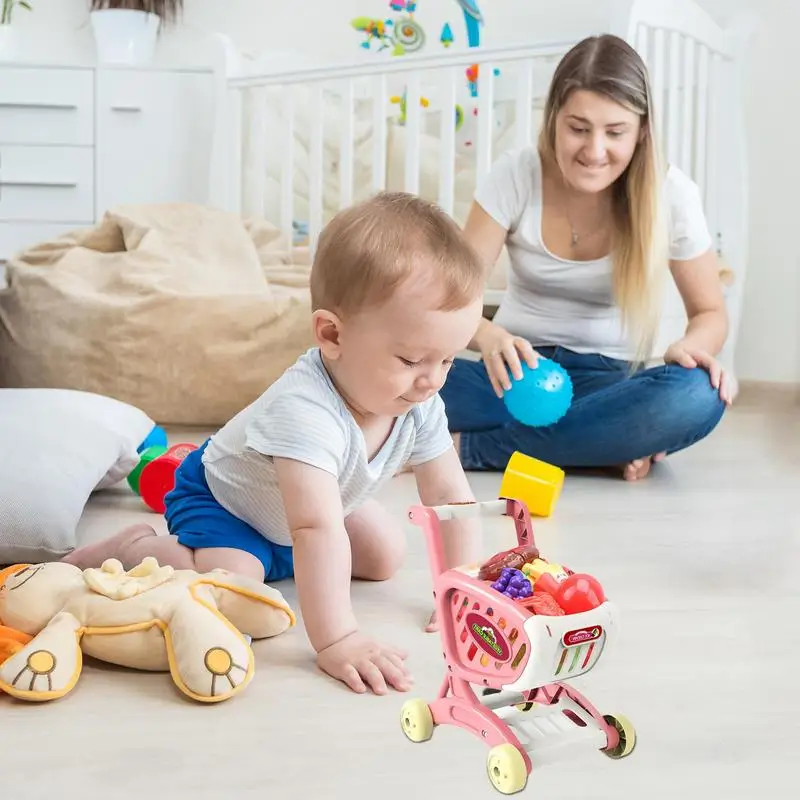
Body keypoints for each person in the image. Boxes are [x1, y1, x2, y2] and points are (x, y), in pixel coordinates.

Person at [63, 192, 485, 696]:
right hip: (227, 503)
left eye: (448, 361)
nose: (432, 381)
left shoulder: (417, 401)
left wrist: (461, 587)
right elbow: (314, 528)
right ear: (332, 334)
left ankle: (276, 559)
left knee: (385, 555)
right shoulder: (304, 410)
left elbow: (451, 500)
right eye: (413, 359)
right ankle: (138, 545)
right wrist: (338, 639)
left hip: (308, 509)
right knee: (235, 584)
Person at [440, 34, 735, 482]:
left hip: (610, 385)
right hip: (515, 376)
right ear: (554, 119)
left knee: (698, 394)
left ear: (641, 132)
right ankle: (595, 445)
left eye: (615, 132)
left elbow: (711, 311)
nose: (594, 151)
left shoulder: (672, 194)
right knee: (402, 380)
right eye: (578, 128)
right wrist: (488, 335)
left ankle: (474, 450)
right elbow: (451, 299)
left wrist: (692, 348)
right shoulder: (515, 174)